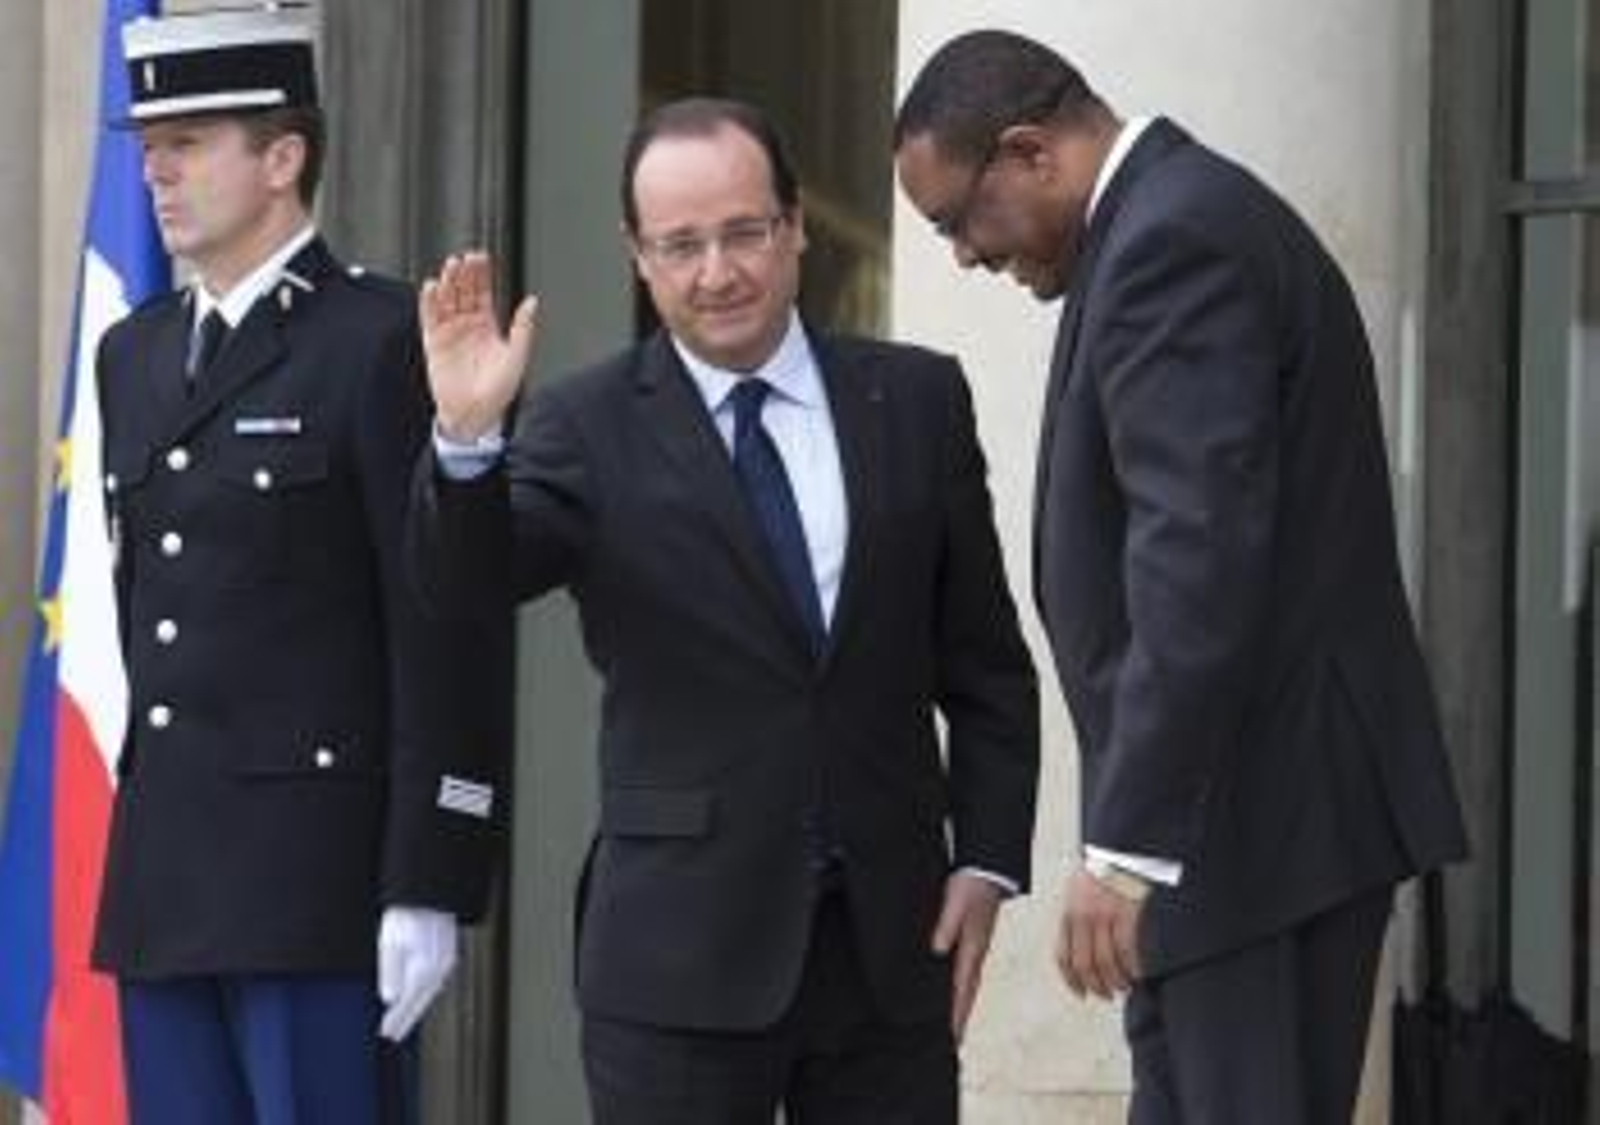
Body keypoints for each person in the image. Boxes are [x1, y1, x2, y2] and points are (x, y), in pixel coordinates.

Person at [409, 97, 1039, 1124]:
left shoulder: (917, 400)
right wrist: (466, 442)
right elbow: (464, 588)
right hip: (677, 961)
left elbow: (985, 664)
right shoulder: (585, 424)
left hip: (888, 951)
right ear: (638, 255)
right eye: (682, 244)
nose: (718, 272)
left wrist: (989, 858)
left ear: (795, 226)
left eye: (744, 231)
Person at [894, 29, 1469, 1125]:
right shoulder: (1157, 226)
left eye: (957, 218)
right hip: (1235, 828)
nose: (965, 255)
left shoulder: (1174, 239)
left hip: (1257, 825)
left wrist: (1122, 849)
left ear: (1029, 152)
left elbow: (1193, 556)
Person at [91, 8, 510, 1122]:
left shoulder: (377, 337)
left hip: (316, 884)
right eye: (147, 148)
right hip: (167, 882)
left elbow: (442, 618)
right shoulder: (130, 356)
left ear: (281, 158)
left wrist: (430, 873)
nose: (156, 174)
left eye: (188, 145)